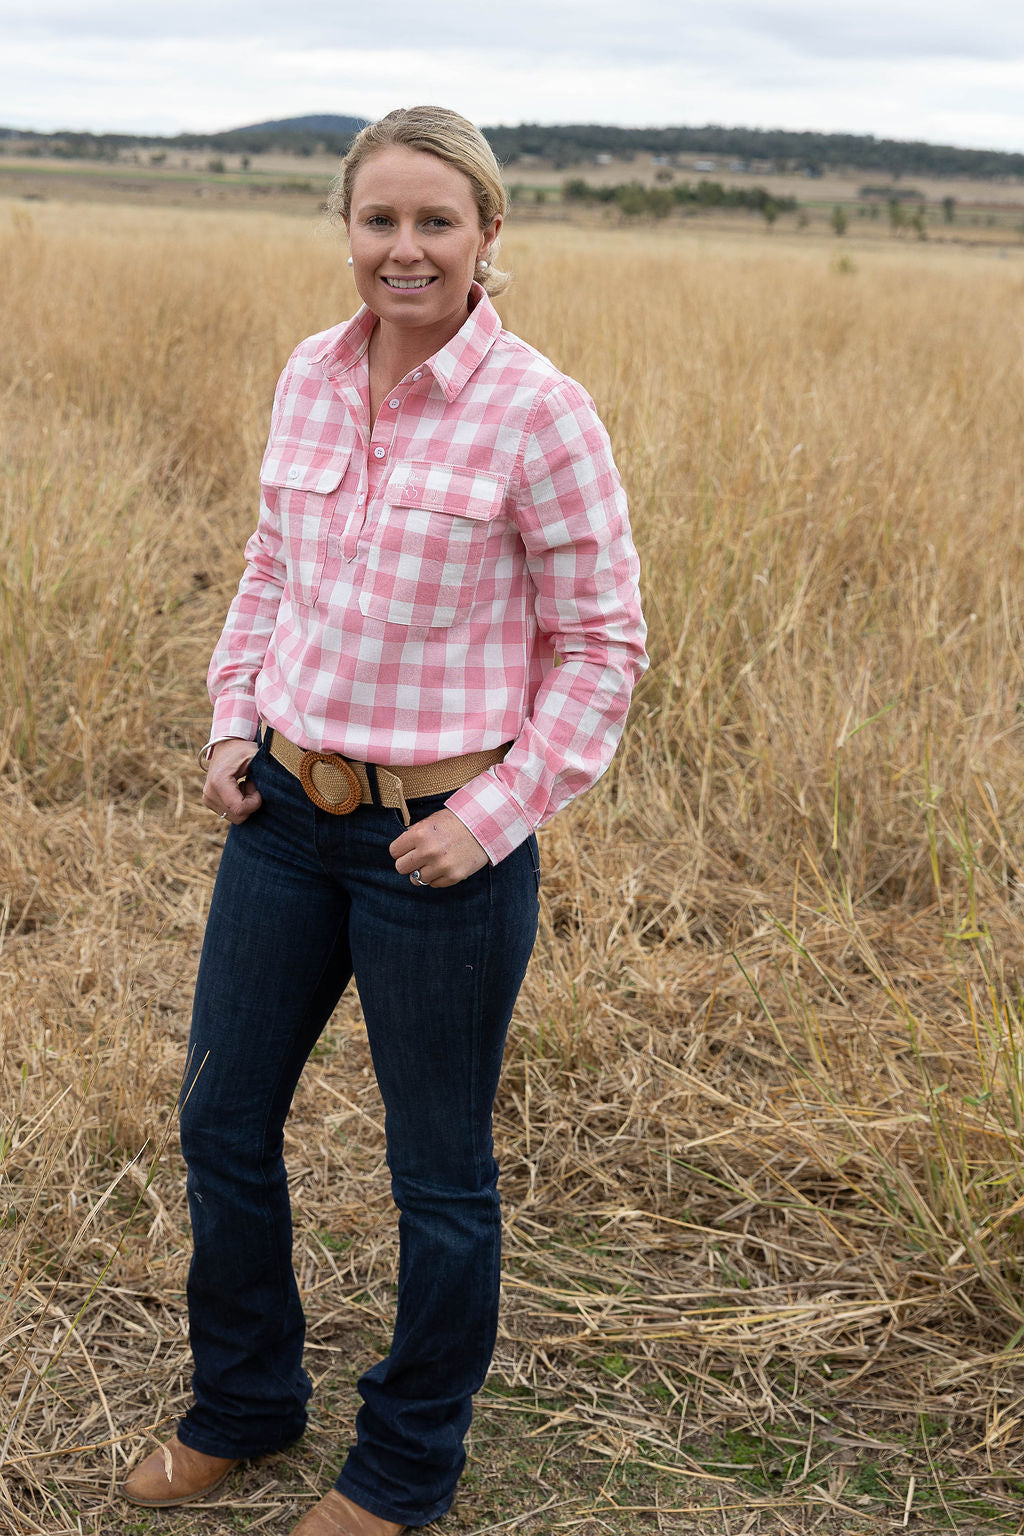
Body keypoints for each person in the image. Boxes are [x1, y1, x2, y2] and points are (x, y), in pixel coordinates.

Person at [120, 105, 648, 1536]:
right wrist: (236, 720)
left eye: (434, 222)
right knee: (222, 1120)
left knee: (439, 1176)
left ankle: (405, 1466)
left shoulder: (540, 409)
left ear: (489, 238)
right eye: (378, 221)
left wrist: (492, 818)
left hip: (442, 851)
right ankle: (244, 1404)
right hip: (286, 818)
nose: (402, 248)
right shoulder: (310, 372)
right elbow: (269, 569)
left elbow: (605, 646)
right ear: (347, 230)